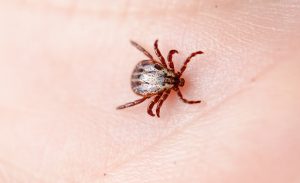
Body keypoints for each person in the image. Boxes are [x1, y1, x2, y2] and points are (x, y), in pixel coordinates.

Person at [0, 1, 299, 182]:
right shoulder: (166, 81)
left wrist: (179, 79)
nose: (177, 82)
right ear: (172, 70)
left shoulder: (165, 79)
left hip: (145, 78)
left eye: (176, 79)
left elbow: (161, 63)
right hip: (144, 79)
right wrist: (181, 93)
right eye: (176, 79)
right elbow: (160, 73)